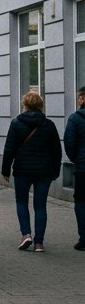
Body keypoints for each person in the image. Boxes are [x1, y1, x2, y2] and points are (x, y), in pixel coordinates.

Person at [0, 90, 61, 253]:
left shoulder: (16, 123)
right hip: (44, 171)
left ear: (25, 105)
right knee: (40, 206)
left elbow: (9, 149)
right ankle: (39, 243)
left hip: (22, 170)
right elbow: (56, 150)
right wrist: (55, 171)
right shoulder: (48, 124)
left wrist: (5, 169)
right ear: (40, 105)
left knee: (22, 202)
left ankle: (26, 234)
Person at [63, 87, 85, 251]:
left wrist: (75, 160)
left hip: (83, 167)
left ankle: (84, 238)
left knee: (81, 202)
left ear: (83, 99)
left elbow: (69, 143)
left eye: (79, 97)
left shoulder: (75, 118)